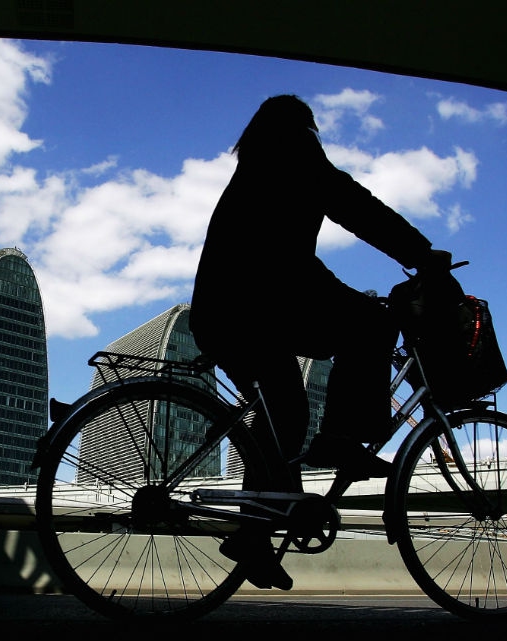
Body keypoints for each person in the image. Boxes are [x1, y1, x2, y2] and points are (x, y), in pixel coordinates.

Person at [189, 94, 451, 590]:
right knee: (372, 323)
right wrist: (421, 253)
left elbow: (310, 240)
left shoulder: (256, 164)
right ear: (301, 127)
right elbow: (355, 205)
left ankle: (254, 533)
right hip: (259, 301)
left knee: (284, 411)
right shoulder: (293, 152)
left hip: (232, 310)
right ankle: (340, 442)